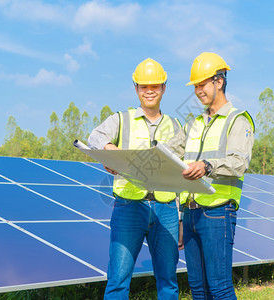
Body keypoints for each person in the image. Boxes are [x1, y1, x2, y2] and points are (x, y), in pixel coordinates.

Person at [88, 58, 182, 300]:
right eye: (143, 86)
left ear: (164, 87)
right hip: (129, 206)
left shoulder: (176, 126)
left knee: (168, 282)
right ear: (136, 89)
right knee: (118, 281)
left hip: (167, 208)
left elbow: (182, 173)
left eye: (155, 86)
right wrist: (111, 152)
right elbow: (95, 137)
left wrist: (180, 218)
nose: (149, 91)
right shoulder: (121, 119)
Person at [166, 52, 255, 299]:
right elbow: (166, 154)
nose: (198, 91)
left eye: (202, 84)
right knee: (197, 288)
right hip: (191, 213)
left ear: (219, 81)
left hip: (218, 212)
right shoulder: (192, 123)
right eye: (195, 85)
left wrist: (207, 166)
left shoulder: (237, 120)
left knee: (219, 287)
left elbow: (239, 163)